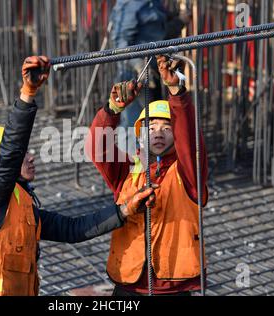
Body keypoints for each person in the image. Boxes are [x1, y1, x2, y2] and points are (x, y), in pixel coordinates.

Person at [0, 56, 157, 296]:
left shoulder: (21, 208)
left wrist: (124, 211)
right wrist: (28, 93)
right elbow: (11, 151)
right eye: (23, 155)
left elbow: (73, 229)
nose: (31, 157)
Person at [85, 55, 208, 296]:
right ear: (141, 134)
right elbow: (98, 148)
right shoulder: (128, 171)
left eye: (166, 128)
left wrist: (177, 92)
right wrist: (112, 110)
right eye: (150, 128)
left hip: (172, 286)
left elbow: (189, 139)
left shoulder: (188, 173)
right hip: (129, 282)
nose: (158, 133)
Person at [110, 0, 189, 152]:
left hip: (153, 72)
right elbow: (120, 45)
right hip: (133, 76)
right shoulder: (128, 5)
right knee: (133, 125)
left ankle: (148, 169)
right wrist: (140, 66)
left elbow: (159, 35)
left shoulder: (154, 3)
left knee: (150, 124)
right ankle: (131, 169)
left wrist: (179, 21)